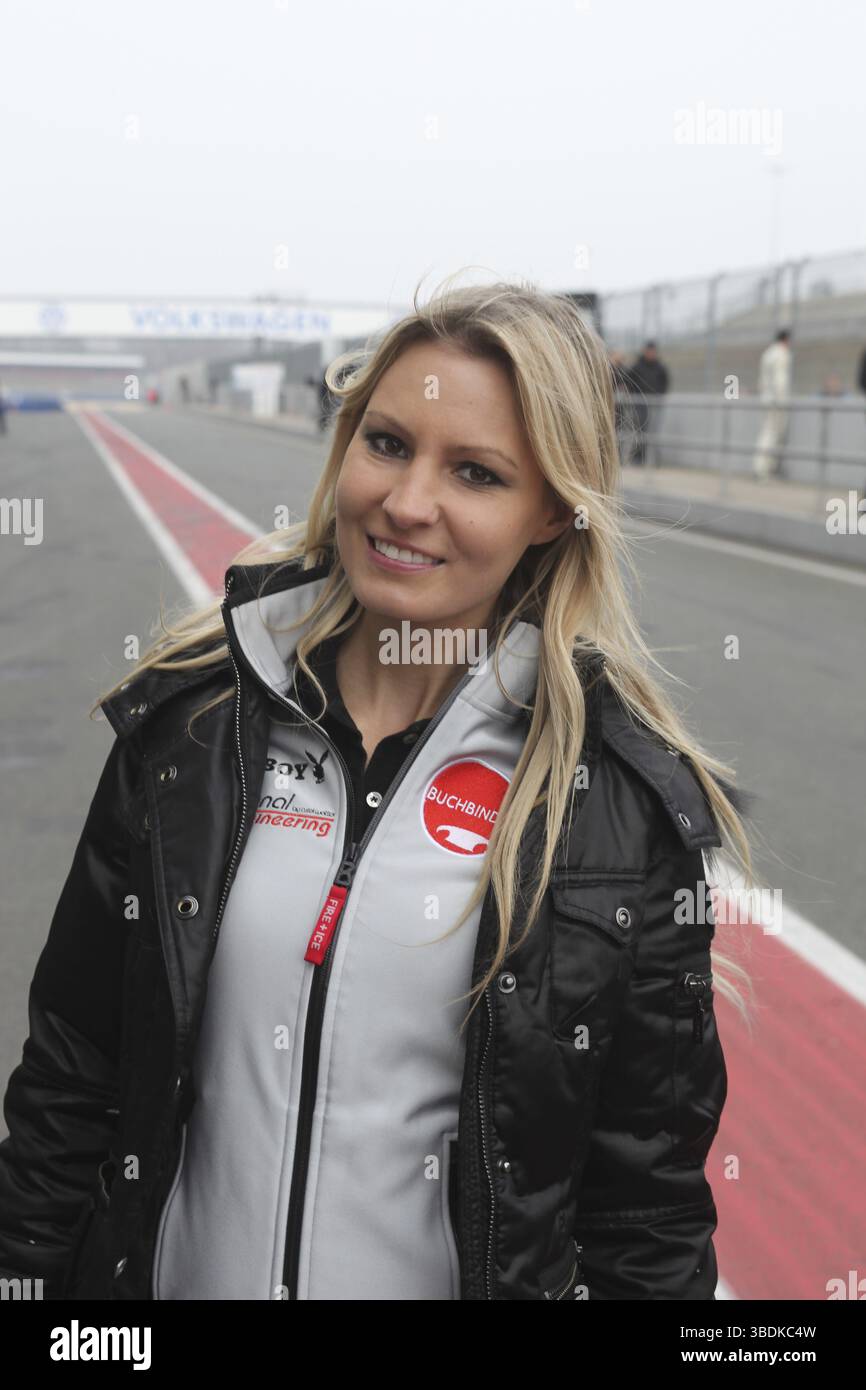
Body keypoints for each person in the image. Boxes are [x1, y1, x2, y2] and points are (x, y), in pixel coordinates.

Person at [0, 276, 756, 1302]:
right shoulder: (187, 726)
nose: (405, 503)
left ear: (550, 513)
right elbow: (69, 1083)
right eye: (387, 443)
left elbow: (644, 1216)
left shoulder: (616, 810)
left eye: (476, 473)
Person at [752, 328, 792, 479]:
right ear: (786, 340)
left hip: (766, 398)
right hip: (776, 400)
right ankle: (764, 469)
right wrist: (782, 401)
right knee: (772, 434)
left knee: (766, 432)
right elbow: (780, 380)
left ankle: (761, 467)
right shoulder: (781, 354)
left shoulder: (767, 353)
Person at [626, 340, 669, 466]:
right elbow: (630, 381)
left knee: (653, 431)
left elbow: (665, 383)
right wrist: (634, 396)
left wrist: (659, 395)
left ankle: (653, 459)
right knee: (641, 430)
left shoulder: (660, 367)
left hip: (654, 403)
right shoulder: (637, 366)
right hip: (640, 403)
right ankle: (639, 457)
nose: (651, 354)